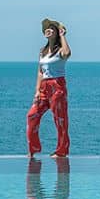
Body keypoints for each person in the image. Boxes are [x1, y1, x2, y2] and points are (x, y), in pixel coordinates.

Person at [27, 18, 71, 158]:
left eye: (52, 28)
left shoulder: (60, 51)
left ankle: (62, 151)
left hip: (57, 85)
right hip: (44, 86)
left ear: (57, 32)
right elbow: (40, 72)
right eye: (47, 28)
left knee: (60, 119)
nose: (49, 30)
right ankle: (33, 148)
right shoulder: (42, 51)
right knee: (32, 115)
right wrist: (37, 91)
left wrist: (63, 35)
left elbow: (67, 53)